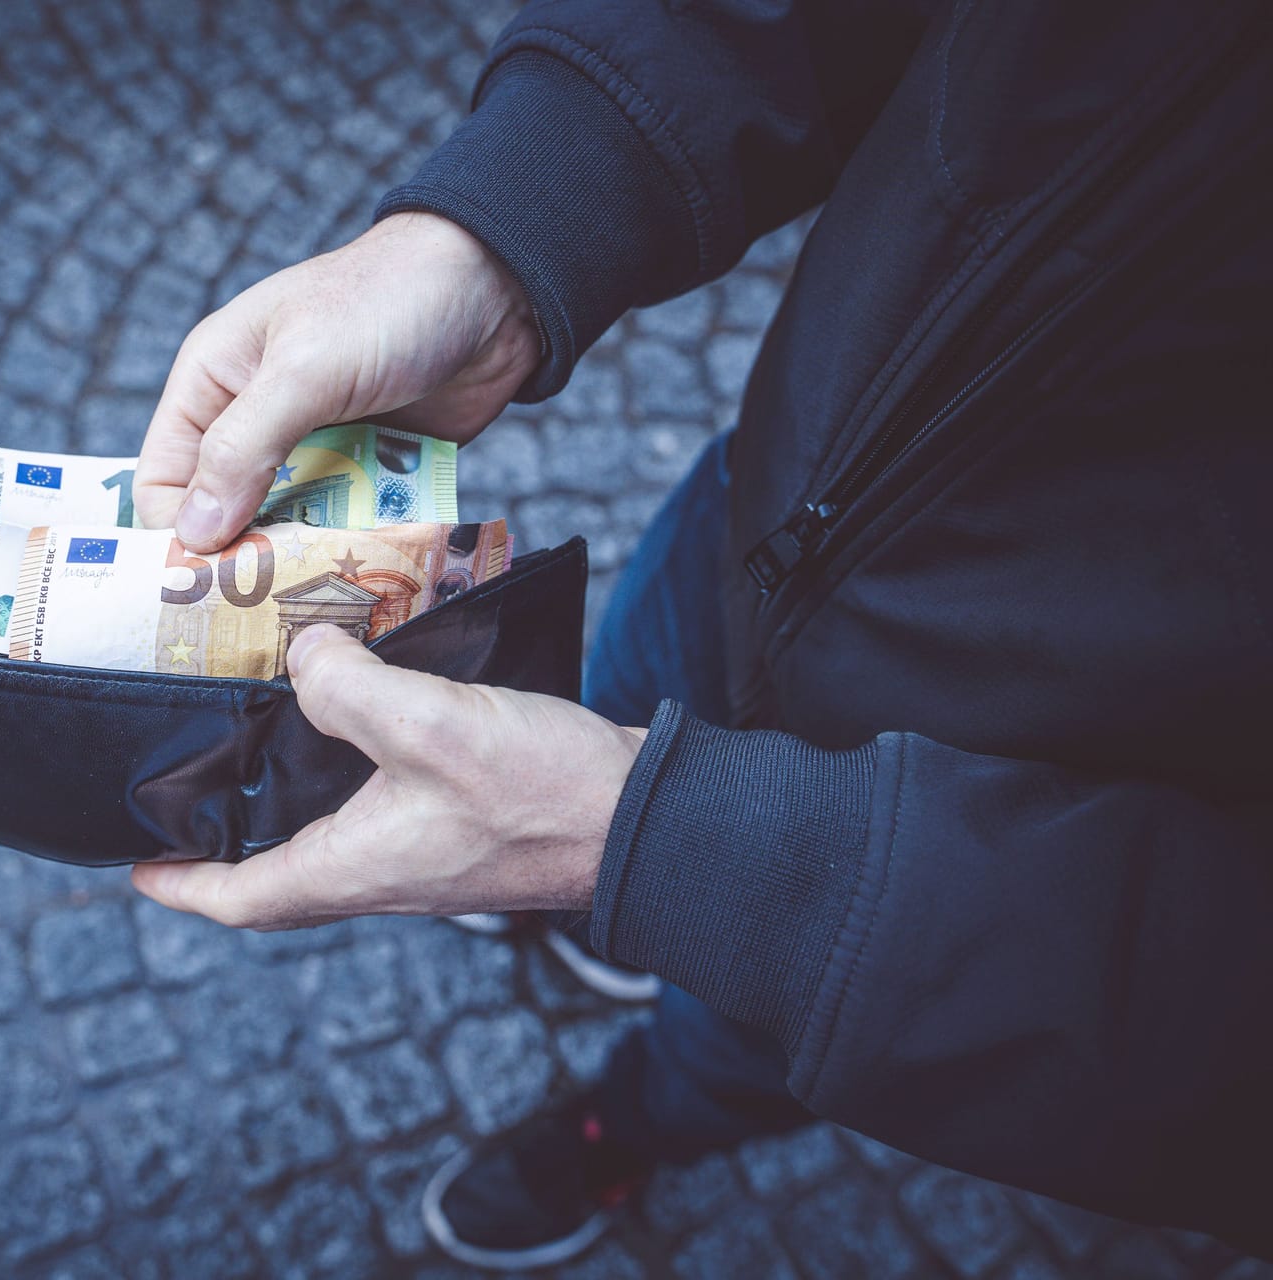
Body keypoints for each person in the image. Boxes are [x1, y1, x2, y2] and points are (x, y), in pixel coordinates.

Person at [129, 0, 1273, 1267]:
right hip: (771, 506)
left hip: (987, 827)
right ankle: (559, 902)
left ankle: (626, 1125)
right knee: (623, 669)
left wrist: (706, 871)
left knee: (734, 1041)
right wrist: (511, 221)